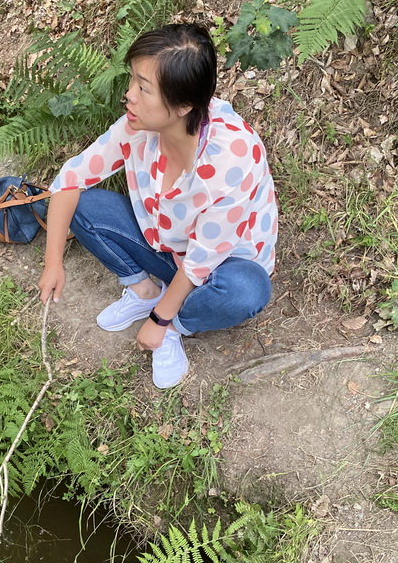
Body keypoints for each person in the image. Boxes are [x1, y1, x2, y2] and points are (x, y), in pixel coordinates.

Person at [38, 22, 277, 389]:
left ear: (183, 105)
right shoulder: (137, 127)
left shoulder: (231, 160)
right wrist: (53, 262)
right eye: (132, 80)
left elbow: (202, 261)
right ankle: (144, 290)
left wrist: (161, 322)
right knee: (83, 205)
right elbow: (71, 180)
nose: (129, 96)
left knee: (248, 290)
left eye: (143, 89)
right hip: (166, 245)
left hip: (220, 268)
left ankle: (179, 324)